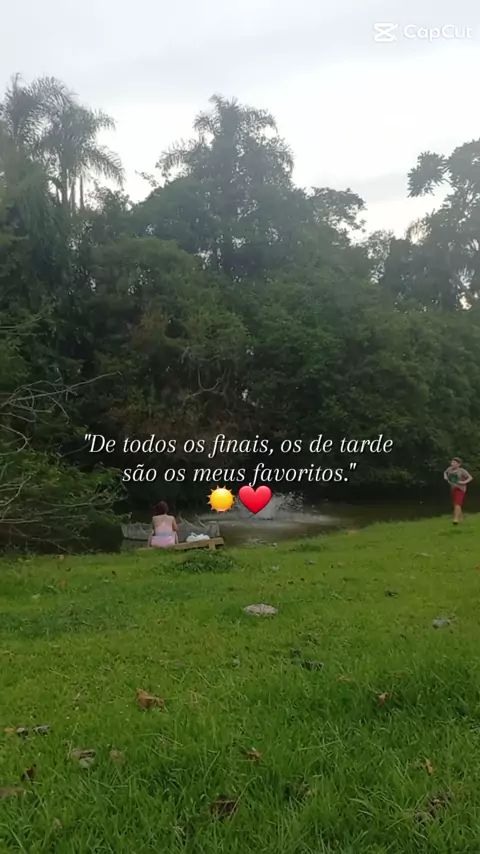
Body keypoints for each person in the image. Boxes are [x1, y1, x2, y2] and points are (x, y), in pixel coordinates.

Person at [444, 457, 473, 524]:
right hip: (453, 488)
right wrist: (445, 477)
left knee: (457, 503)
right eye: (452, 462)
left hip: (460, 489)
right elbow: (445, 472)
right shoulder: (449, 469)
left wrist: (463, 482)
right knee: (456, 504)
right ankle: (461, 518)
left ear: (458, 464)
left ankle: (456, 519)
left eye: (454, 462)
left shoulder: (462, 471)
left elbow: (470, 478)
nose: (452, 464)